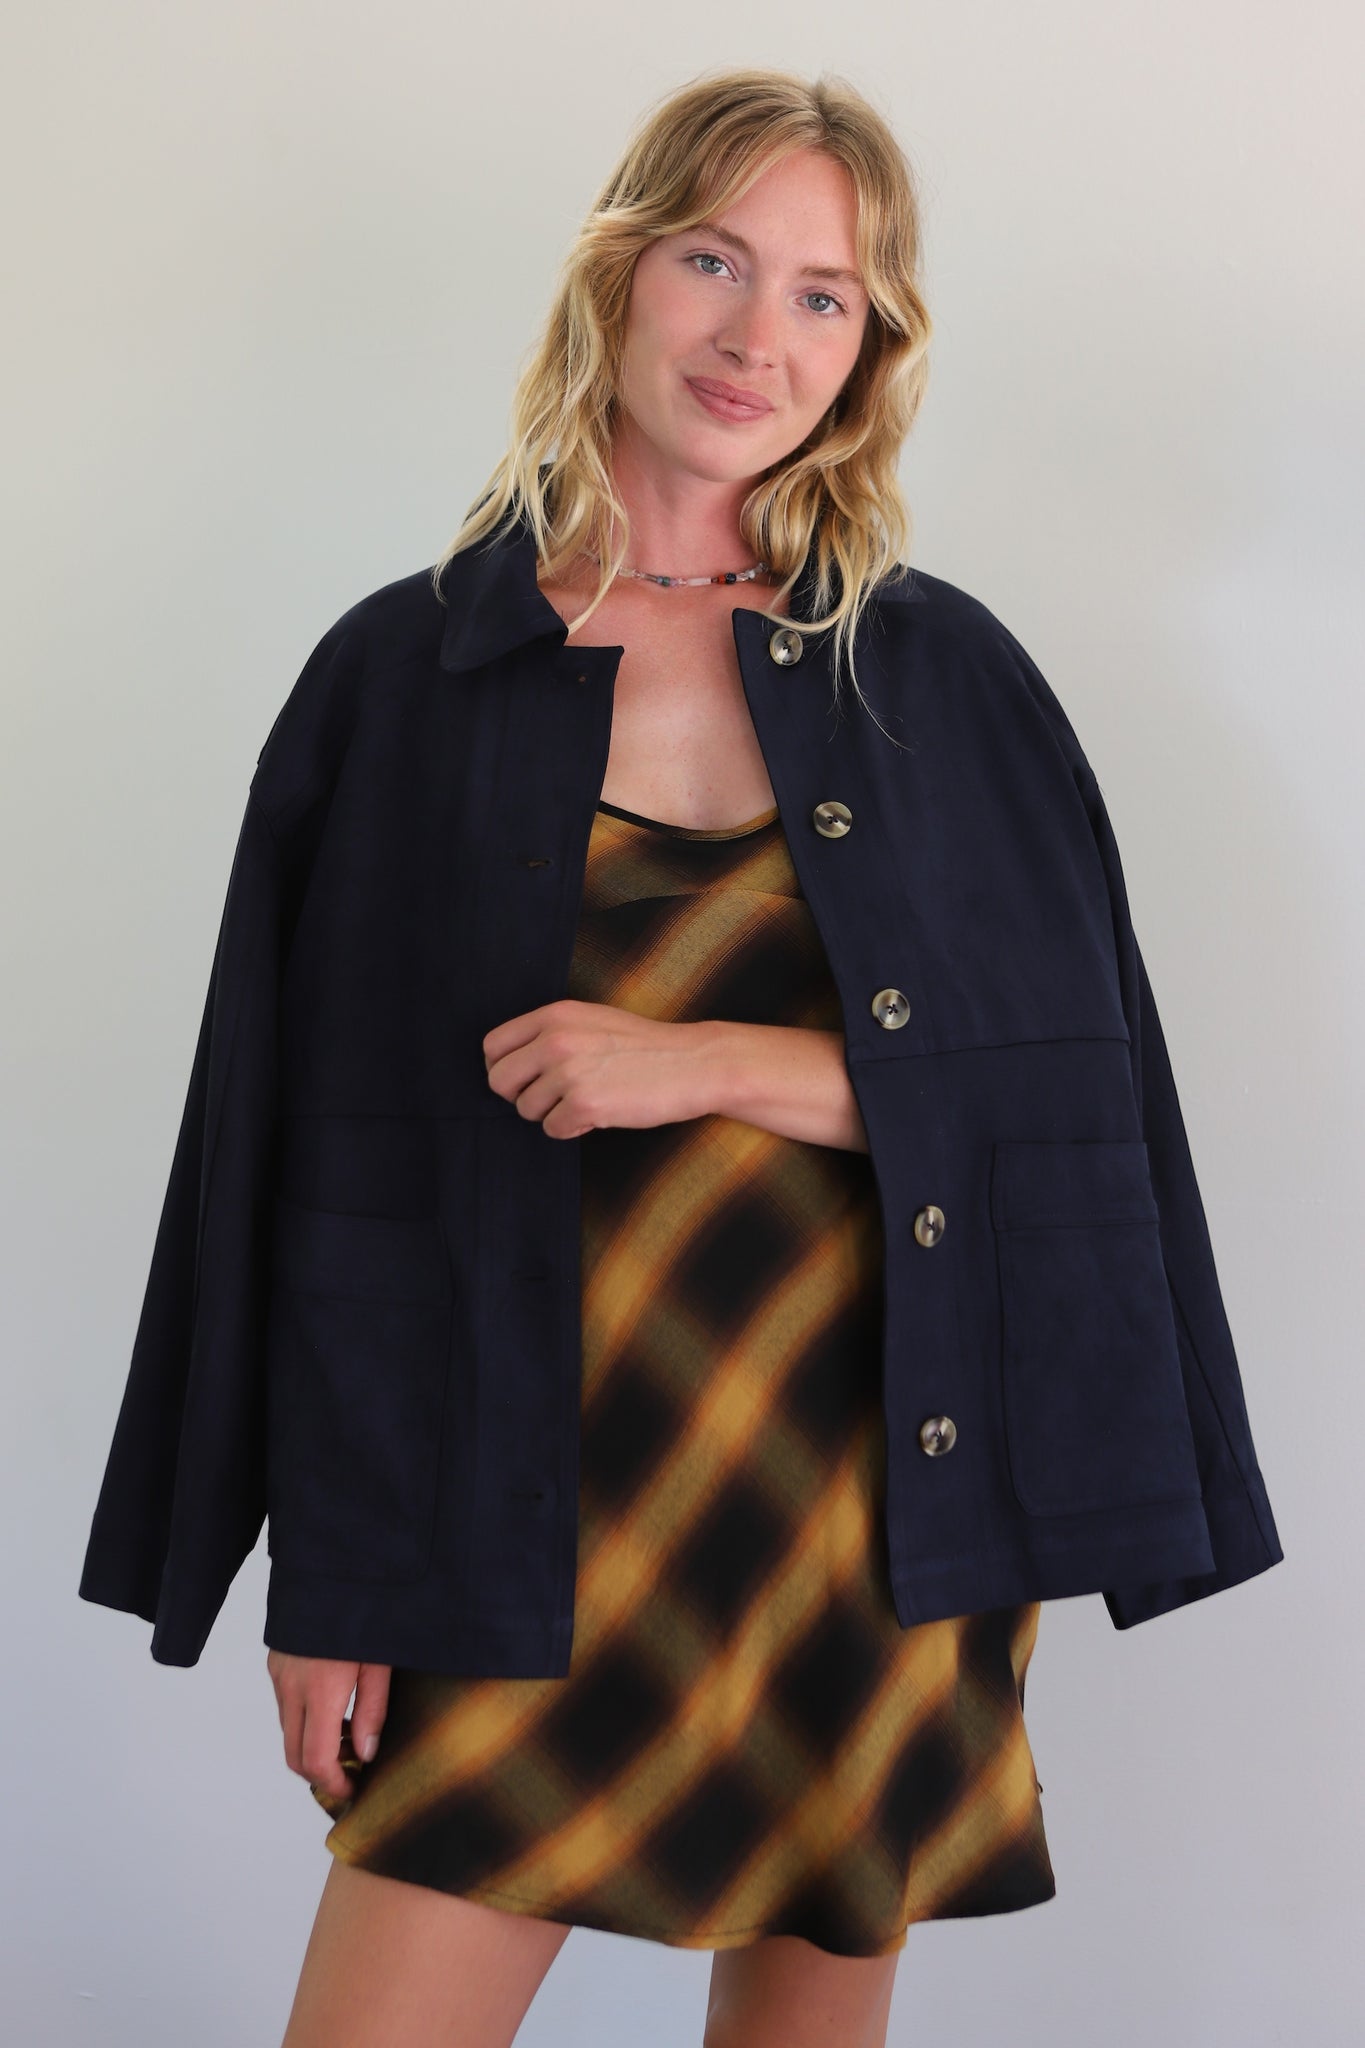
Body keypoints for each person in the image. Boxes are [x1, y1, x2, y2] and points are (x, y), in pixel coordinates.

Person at [77, 62, 1283, 2048]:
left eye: (822, 294)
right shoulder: (404, 678)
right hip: (506, 1527)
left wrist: (707, 1060)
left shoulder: (945, 683)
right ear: (617, 273)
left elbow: (1077, 1119)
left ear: (868, 349)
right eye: (714, 262)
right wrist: (333, 1578)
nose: (756, 336)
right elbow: (309, 1173)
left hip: (861, 1514)